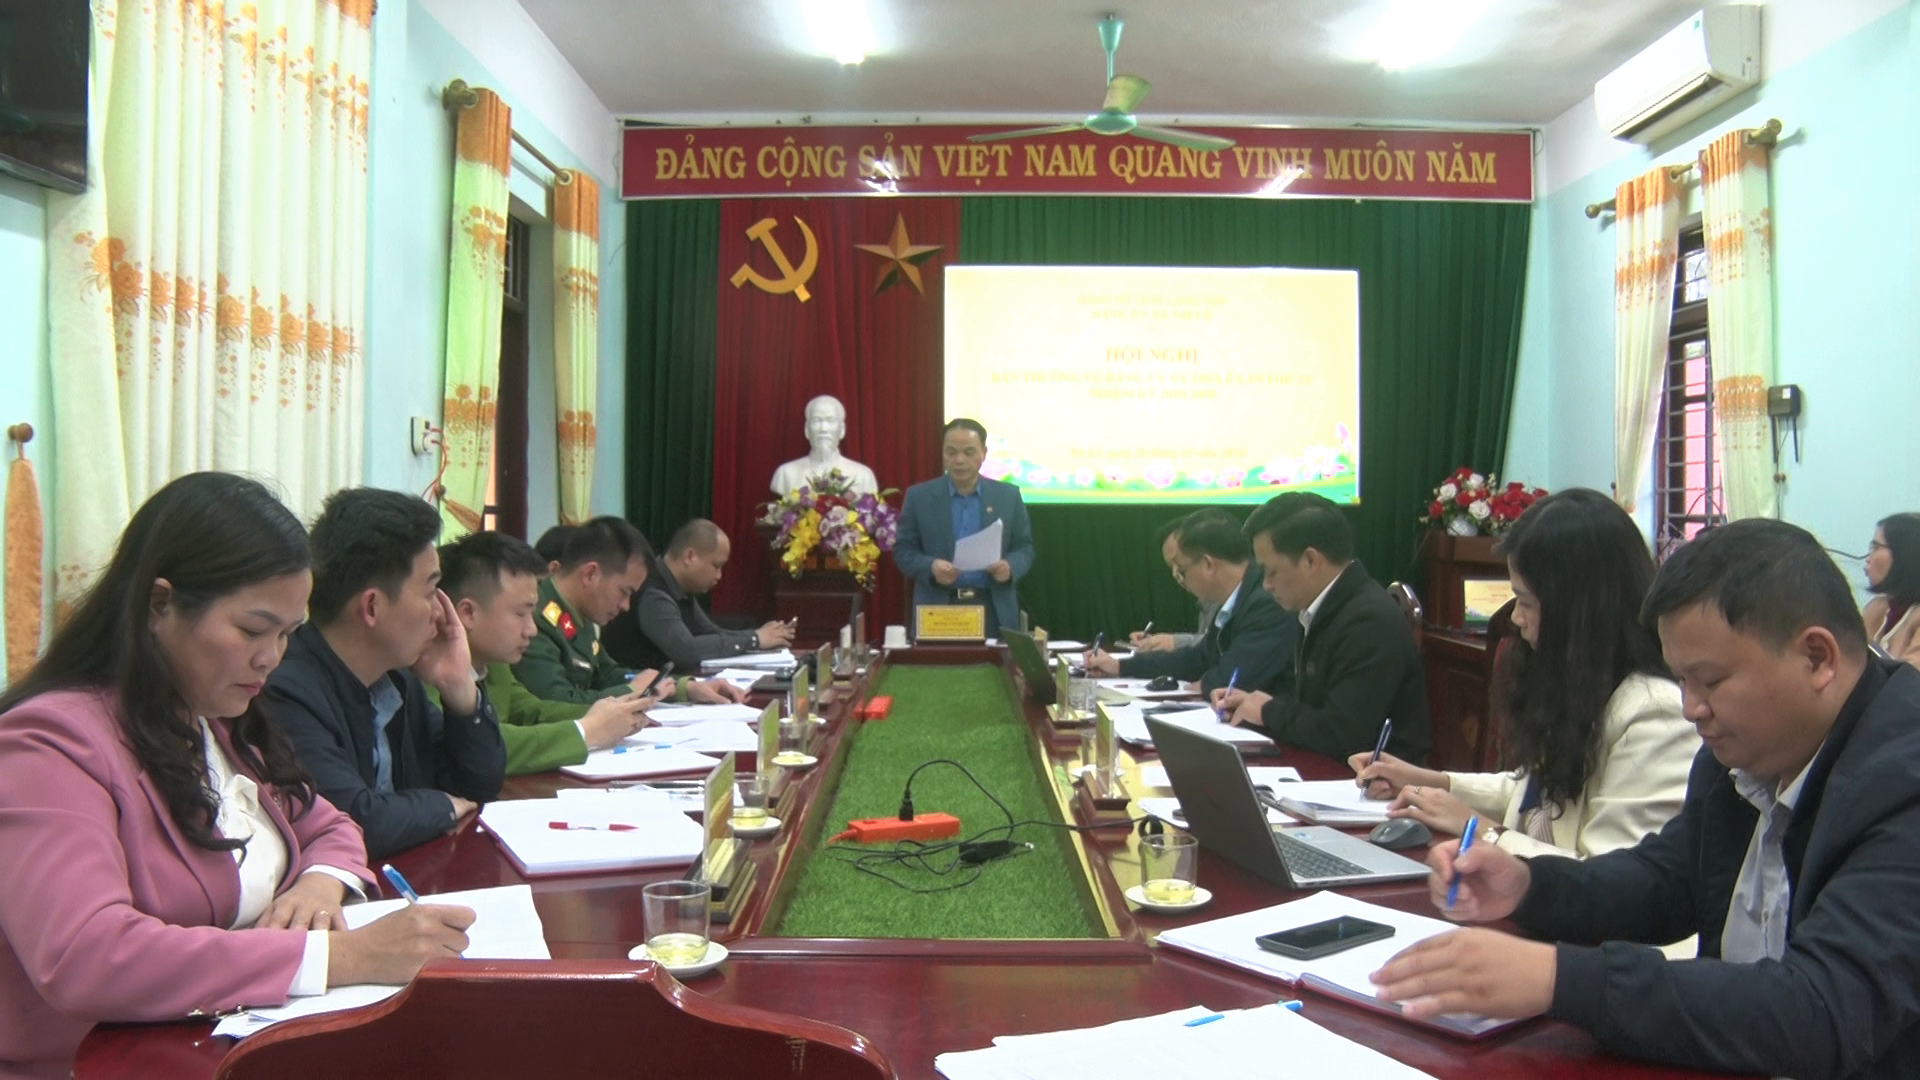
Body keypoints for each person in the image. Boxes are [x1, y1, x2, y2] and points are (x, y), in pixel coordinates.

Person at [1370, 519, 1920, 1079]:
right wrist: (1529, 887)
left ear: (1817, 658)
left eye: (1709, 681)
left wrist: (1560, 979)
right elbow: (1668, 880)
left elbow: (1824, 1010)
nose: (1690, 708)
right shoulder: (1748, 751)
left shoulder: (1903, 780)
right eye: (1682, 681)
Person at [0, 473, 475, 1078]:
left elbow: (330, 823)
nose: (270, 658)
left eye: (287, 635)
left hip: (225, 1045)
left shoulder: (216, 722)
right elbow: (86, 954)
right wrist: (338, 956)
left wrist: (320, 884)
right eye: (252, 631)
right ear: (160, 605)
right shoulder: (48, 744)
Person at [1351, 489, 1696, 859]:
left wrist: (1480, 831)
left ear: (1577, 613)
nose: (1516, 618)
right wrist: (1429, 782)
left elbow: (1610, 875)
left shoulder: (1655, 714)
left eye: (1527, 603)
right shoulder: (1584, 682)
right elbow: (1533, 794)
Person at [266, 488, 506, 860]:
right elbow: (355, 821)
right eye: (430, 591)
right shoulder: (287, 690)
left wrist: (459, 688)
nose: (440, 613)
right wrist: (441, 806)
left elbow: (478, 785)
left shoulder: (396, 677)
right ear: (372, 607)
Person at [1216, 492, 1429, 762]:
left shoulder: (1368, 620)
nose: (1266, 585)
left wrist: (1267, 711)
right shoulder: (1326, 607)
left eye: (1271, 572)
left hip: (1371, 780)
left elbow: (1342, 735)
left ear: (1310, 561)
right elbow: (1314, 706)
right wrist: (1252, 704)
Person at [438, 531, 672, 775]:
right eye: (520, 614)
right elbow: (483, 746)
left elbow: (533, 712)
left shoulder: (493, 662)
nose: (531, 629)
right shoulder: (434, 671)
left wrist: (614, 714)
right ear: (468, 613)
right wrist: (587, 730)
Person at [513, 516, 747, 707]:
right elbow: (558, 702)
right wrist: (631, 691)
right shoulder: (533, 619)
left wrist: (683, 686)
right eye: (624, 592)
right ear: (590, 574)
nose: (626, 605)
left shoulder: (577, 614)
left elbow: (608, 674)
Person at [1087, 509, 1297, 698]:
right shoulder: (1236, 599)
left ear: (1208, 564)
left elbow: (1232, 679)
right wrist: (1120, 666)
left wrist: (1203, 684)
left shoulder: (1267, 603)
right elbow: (1196, 659)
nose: (1180, 580)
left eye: (1182, 571)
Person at [894, 418, 1035, 639]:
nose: (959, 460)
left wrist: (1010, 567)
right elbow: (903, 550)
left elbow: (1024, 548)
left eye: (969, 452)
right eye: (951, 452)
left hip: (993, 608)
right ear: (943, 453)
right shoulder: (919, 497)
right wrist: (931, 567)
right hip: (939, 608)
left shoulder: (1008, 496)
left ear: (984, 454)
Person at [602, 518, 794, 671]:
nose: (719, 576)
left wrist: (759, 637)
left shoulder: (678, 587)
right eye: (716, 566)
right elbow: (687, 651)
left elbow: (711, 633)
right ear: (690, 556)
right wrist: (755, 639)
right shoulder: (653, 592)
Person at [1127, 514, 1223, 653]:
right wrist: (1159, 642)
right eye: (1171, 567)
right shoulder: (1207, 600)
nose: (1175, 574)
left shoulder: (1238, 597)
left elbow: (1226, 645)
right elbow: (1207, 644)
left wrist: (1175, 642)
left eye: (1179, 564)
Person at [769, 394, 880, 497]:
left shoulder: (863, 476)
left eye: (830, 421)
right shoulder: (785, 474)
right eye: (816, 421)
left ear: (842, 430)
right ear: (806, 429)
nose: (823, 429)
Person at [1864, 512, 1920, 666]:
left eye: (1876, 547)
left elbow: (1911, 678)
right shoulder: (1877, 608)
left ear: (1904, 555)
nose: (1868, 557)